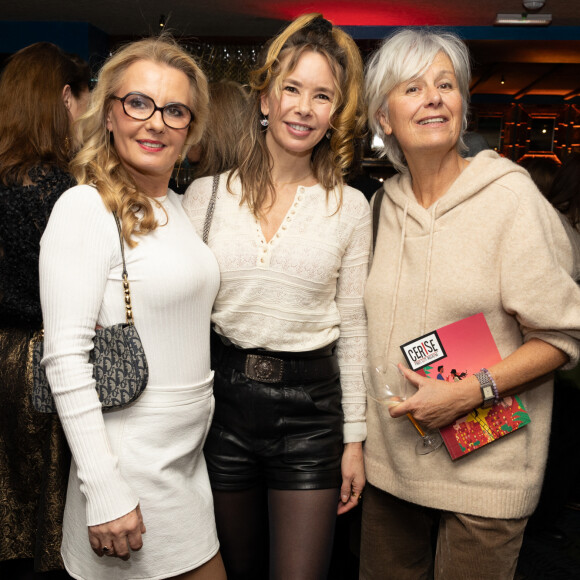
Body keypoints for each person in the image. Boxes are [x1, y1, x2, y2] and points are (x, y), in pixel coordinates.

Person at [362, 28, 580, 580]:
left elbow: (563, 336)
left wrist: (469, 392)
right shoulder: (380, 208)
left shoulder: (512, 198)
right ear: (384, 118)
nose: (434, 97)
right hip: (390, 468)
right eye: (412, 88)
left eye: (445, 84)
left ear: (462, 107)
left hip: (487, 471)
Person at [183, 13, 369, 580]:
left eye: (321, 96)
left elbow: (355, 327)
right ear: (265, 98)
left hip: (310, 416)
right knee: (229, 570)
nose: (303, 108)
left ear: (334, 115)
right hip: (220, 410)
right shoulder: (203, 195)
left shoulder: (350, 207)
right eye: (291, 89)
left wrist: (354, 442)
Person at [39, 36, 226, 580]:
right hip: (128, 465)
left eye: (174, 110)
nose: (156, 122)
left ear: (190, 129)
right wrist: (103, 489)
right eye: (138, 103)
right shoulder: (84, 207)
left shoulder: (176, 206)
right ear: (110, 113)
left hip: (186, 461)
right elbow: (66, 360)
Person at [0, 42, 90, 575]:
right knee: (46, 520)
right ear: (64, 99)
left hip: (2, 356)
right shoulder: (58, 189)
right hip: (42, 361)